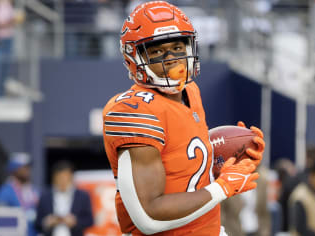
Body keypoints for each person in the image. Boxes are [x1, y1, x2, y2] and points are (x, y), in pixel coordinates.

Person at [102, 1, 265, 235]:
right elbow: (148, 216)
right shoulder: (133, 110)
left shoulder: (191, 92)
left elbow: (182, 156)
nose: (171, 59)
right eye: (157, 51)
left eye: (177, 48)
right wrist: (222, 188)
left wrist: (228, 156)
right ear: (134, 58)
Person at [35, 161, 94, 236]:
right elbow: (37, 222)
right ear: (54, 178)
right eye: (59, 177)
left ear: (71, 177)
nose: (62, 180)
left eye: (65, 176)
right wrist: (48, 221)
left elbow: (89, 220)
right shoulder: (45, 197)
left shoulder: (82, 196)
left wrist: (75, 221)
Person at [0, 153, 39, 236]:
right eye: (23, 167)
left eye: (28, 167)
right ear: (14, 169)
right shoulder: (4, 192)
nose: (27, 170)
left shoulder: (34, 190)